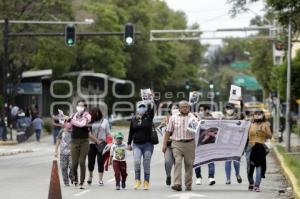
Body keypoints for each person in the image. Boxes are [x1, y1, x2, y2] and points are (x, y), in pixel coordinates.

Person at [164, 100, 195, 191]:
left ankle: (188, 184)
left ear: (189, 108)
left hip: (190, 143)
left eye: (187, 107)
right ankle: (177, 184)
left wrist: (198, 119)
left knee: (189, 164)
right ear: (179, 108)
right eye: (183, 107)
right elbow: (168, 132)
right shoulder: (173, 117)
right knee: (178, 162)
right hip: (177, 143)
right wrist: (165, 144)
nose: (185, 108)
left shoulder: (192, 117)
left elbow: (197, 129)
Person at [128, 100, 155, 190]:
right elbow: (131, 132)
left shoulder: (149, 117)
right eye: (140, 107)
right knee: (137, 161)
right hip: (136, 144)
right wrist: (129, 143)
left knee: (146, 162)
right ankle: (137, 180)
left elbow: (152, 109)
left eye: (143, 107)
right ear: (137, 109)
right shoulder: (133, 119)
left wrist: (151, 101)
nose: (142, 108)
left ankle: (146, 182)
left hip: (148, 144)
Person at [67, 100, 91, 189]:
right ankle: (75, 179)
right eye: (78, 105)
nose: (80, 107)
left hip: (84, 141)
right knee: (74, 163)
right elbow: (68, 126)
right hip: (74, 140)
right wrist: (65, 120)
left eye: (82, 105)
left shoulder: (87, 115)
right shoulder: (73, 115)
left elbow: (81, 124)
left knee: (82, 162)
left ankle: (82, 182)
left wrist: (71, 120)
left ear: (85, 107)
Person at [246, 109, 272, 192]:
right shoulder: (250, 124)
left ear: (262, 115)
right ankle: (251, 183)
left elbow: (270, 136)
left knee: (259, 166)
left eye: (259, 114)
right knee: (250, 166)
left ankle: (257, 185)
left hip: (260, 147)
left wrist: (264, 131)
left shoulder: (265, 124)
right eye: (255, 114)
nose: (257, 115)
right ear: (253, 115)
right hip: (250, 147)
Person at [87, 107, 110, 186]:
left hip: (102, 144)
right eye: (94, 114)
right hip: (91, 144)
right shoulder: (89, 121)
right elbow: (88, 133)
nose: (96, 115)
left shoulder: (105, 121)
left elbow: (108, 133)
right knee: (91, 162)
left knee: (100, 161)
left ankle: (100, 179)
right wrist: (96, 141)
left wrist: (110, 143)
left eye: (97, 113)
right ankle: (90, 176)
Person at [194, 105, 216, 186]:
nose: (201, 112)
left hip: (209, 144)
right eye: (200, 110)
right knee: (197, 160)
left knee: (210, 160)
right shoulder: (196, 119)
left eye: (202, 110)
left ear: (207, 111)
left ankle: (211, 177)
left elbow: (216, 131)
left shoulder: (213, 119)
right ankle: (198, 177)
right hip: (199, 144)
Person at [222, 103, 243, 185]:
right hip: (226, 142)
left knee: (236, 161)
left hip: (236, 142)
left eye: (230, 108)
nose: (229, 109)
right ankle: (228, 179)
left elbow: (242, 127)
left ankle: (237, 174)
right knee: (227, 161)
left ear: (234, 109)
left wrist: (241, 102)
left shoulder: (238, 117)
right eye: (227, 108)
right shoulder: (223, 118)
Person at [160, 103, 179, 186]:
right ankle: (168, 176)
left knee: (177, 163)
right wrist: (162, 126)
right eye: (173, 108)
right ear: (170, 110)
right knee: (168, 161)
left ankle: (177, 181)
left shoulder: (181, 118)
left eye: (177, 108)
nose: (175, 109)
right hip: (168, 144)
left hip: (178, 144)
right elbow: (161, 129)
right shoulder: (166, 118)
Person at [54, 122, 73, 186]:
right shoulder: (61, 131)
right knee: (64, 168)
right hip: (63, 152)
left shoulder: (74, 131)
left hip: (72, 152)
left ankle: (71, 175)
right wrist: (56, 151)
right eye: (68, 129)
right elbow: (58, 140)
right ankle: (66, 182)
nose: (69, 130)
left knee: (72, 166)